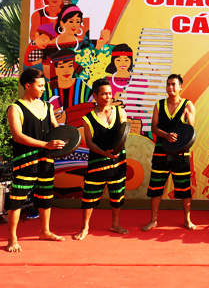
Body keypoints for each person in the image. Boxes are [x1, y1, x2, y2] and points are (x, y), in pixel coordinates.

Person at [5, 68, 65, 252]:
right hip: (26, 161)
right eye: (39, 86)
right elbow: (18, 136)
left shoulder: (48, 106)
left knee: (45, 196)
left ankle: (45, 231)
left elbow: (55, 129)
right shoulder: (15, 108)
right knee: (17, 199)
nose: (43, 89)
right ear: (28, 85)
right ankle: (12, 238)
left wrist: (66, 140)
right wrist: (46, 145)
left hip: (46, 161)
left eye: (43, 85)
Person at [73, 79, 128, 240]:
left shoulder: (120, 112)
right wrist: (104, 153)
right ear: (95, 96)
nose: (108, 96)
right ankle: (85, 228)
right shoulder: (88, 118)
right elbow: (89, 142)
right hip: (98, 161)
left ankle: (115, 224)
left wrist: (115, 151)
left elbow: (123, 135)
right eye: (104, 94)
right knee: (89, 195)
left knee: (117, 194)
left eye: (110, 93)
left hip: (118, 160)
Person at [142, 74, 196, 231]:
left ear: (181, 87)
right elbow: (153, 128)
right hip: (161, 151)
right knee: (156, 187)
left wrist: (179, 140)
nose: (170, 87)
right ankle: (153, 220)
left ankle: (187, 220)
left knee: (184, 188)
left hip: (181, 154)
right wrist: (166, 135)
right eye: (168, 84)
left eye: (173, 84)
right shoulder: (159, 105)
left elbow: (190, 132)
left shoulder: (188, 105)